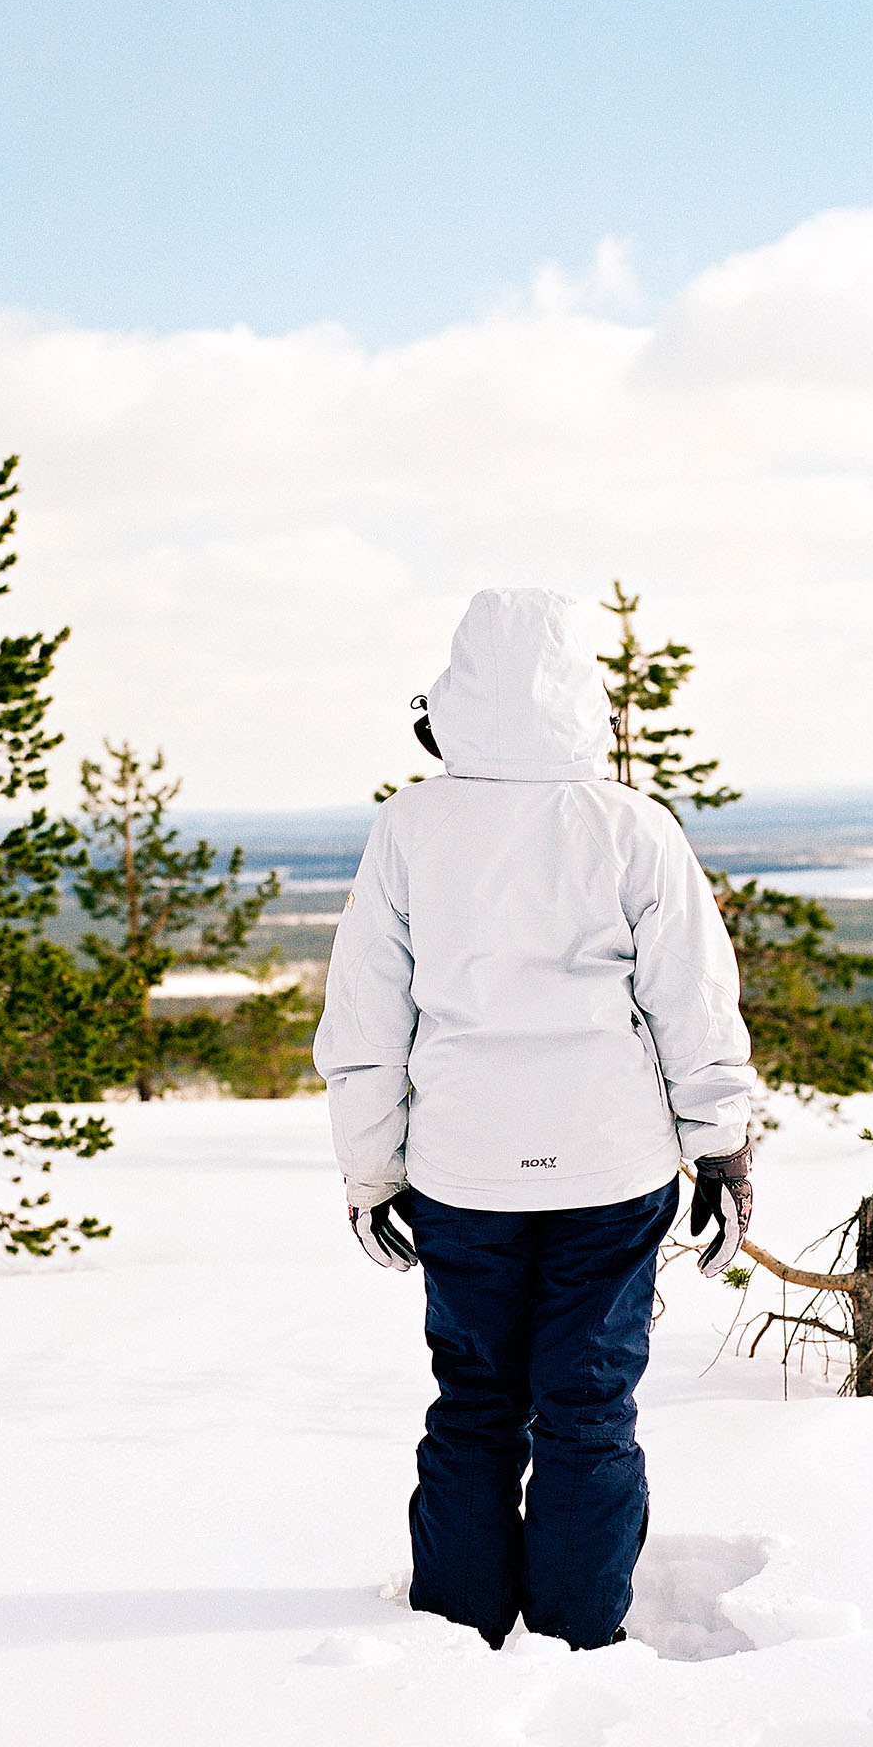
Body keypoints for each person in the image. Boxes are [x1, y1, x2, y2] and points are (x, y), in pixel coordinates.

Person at [313, 586, 756, 1653]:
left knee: (473, 1405)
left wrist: (371, 1171)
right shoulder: (632, 826)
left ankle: (457, 1636)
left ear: (454, 696)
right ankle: (576, 1633)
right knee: (588, 1408)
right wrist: (723, 1150)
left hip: (466, 1174)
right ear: (580, 698)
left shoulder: (410, 826)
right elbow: (693, 1002)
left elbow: (368, 1017)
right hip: (612, 1171)